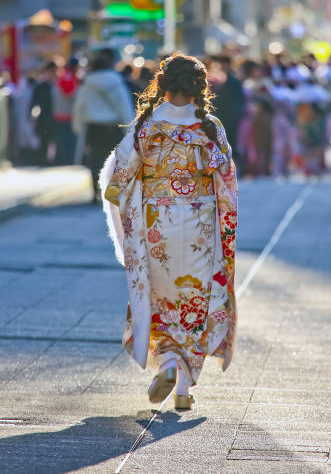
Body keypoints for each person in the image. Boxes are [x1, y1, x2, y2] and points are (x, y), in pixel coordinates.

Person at [100, 54, 238, 409]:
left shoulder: (146, 126)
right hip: (200, 227)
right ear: (200, 86)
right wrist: (224, 226)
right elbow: (226, 183)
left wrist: (132, 216)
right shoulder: (209, 128)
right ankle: (183, 389)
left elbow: (118, 185)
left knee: (162, 300)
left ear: (162, 84)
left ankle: (170, 363)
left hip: (155, 225)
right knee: (194, 301)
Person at [72, 52, 134, 201]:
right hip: (113, 128)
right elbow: (124, 107)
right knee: (115, 161)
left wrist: (78, 128)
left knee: (95, 160)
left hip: (93, 128)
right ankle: (112, 192)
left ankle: (96, 192)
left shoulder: (87, 84)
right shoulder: (116, 82)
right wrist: (129, 129)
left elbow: (79, 108)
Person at [54, 57, 79, 165]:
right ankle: (67, 160)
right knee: (66, 140)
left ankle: (67, 159)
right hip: (66, 114)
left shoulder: (66, 75)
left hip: (66, 114)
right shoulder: (68, 76)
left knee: (66, 139)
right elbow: (69, 93)